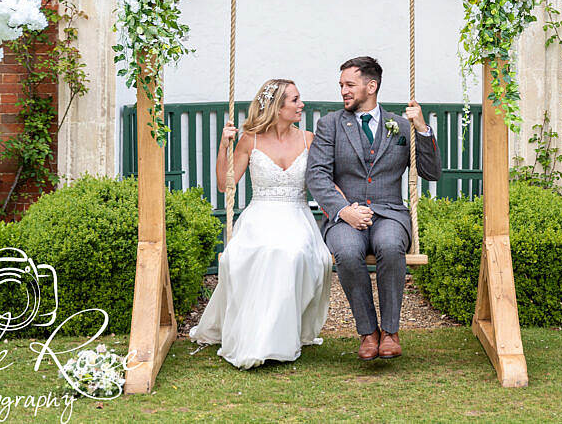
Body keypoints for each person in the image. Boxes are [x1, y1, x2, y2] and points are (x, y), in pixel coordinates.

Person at [306, 56, 442, 360]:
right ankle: (368, 332)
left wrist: (421, 129)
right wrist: (344, 210)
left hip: (390, 213)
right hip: (345, 216)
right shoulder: (330, 125)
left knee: (391, 245)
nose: (343, 90)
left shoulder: (402, 125)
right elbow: (316, 174)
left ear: (372, 86)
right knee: (346, 250)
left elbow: (432, 172)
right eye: (341, 84)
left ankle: (390, 332)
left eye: (349, 84)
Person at [189, 79, 331, 369]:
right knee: (259, 251)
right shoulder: (250, 140)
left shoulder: (308, 139)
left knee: (290, 253)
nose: (301, 104)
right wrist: (223, 145)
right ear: (278, 107)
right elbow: (224, 184)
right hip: (260, 215)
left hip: (296, 214)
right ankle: (257, 336)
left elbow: (324, 182)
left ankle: (277, 337)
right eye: (295, 100)